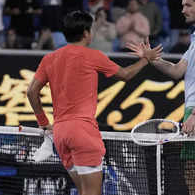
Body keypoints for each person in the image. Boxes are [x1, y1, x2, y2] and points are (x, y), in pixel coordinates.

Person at [27, 11, 162, 195]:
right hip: (83, 132)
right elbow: (126, 75)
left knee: (83, 191)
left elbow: (31, 92)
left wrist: (43, 123)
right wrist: (146, 58)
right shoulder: (93, 56)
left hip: (60, 134)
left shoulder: (49, 59)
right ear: (85, 33)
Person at [131, 0, 195, 195]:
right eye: (182, 5)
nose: (183, 10)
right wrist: (151, 58)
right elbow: (176, 71)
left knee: (194, 172)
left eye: (188, 5)